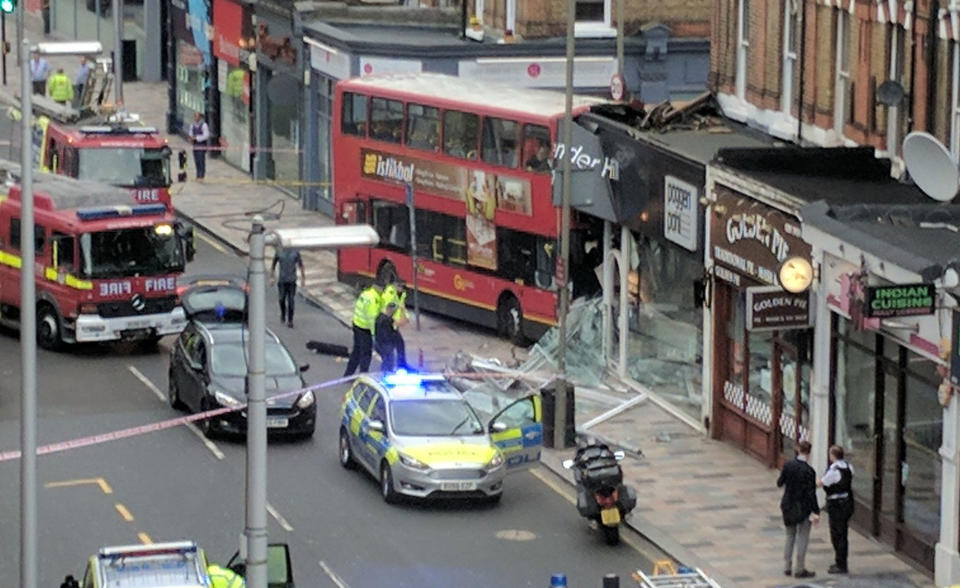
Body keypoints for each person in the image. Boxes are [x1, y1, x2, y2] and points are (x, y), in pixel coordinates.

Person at [777, 439, 820, 579]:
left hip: (788, 504)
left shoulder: (788, 465)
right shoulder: (809, 471)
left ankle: (787, 566)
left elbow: (780, 482)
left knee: (790, 535)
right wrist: (816, 511)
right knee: (803, 537)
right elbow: (811, 494)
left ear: (797, 450)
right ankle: (799, 568)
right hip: (803, 507)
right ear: (809, 453)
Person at [819, 444, 855, 574]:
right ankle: (842, 561)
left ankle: (840, 564)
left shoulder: (834, 471)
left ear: (832, 456)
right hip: (847, 503)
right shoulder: (849, 467)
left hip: (836, 505)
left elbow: (822, 483)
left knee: (836, 534)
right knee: (843, 534)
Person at [343, 280, 382, 377]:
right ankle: (363, 377)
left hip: (357, 324)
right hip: (365, 328)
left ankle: (348, 375)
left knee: (356, 351)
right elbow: (372, 319)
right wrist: (374, 335)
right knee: (366, 354)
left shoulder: (366, 293)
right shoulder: (374, 299)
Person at [270, 246, 305, 328]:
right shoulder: (279, 252)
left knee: (291, 301)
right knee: (281, 299)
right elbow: (273, 265)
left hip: (292, 280)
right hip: (282, 280)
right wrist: (272, 277)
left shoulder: (295, 252)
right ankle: (283, 313)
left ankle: (290, 320)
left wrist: (303, 278)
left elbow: (301, 265)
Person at [380, 281, 408, 368]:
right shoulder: (389, 294)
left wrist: (405, 316)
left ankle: (402, 365)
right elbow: (387, 310)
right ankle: (386, 370)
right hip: (386, 325)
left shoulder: (402, 294)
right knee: (389, 351)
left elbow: (402, 307)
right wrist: (395, 321)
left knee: (400, 344)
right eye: (401, 288)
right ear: (396, 286)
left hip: (394, 325)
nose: (402, 290)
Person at [375, 301, 400, 372]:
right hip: (386, 344)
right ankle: (386, 374)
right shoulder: (387, 321)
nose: (394, 313)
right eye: (394, 311)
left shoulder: (379, 317)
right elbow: (387, 334)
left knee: (386, 360)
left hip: (379, 343)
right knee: (388, 361)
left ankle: (385, 373)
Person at [189, 112, 211, 181]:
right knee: (197, 160)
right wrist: (191, 137)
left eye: (197, 116)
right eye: (195, 116)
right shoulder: (192, 125)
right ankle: (198, 175)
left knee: (201, 160)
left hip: (201, 145)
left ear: (200, 117)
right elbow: (190, 133)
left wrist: (196, 138)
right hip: (195, 145)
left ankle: (202, 175)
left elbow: (206, 135)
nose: (196, 118)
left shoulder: (204, 125)